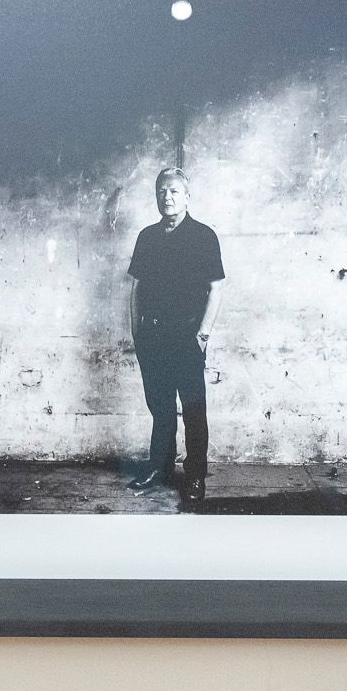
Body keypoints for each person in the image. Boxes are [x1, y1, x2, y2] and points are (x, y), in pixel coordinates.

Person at [126, 167, 224, 503]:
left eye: (173, 192)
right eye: (161, 192)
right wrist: (136, 331)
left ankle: (195, 476)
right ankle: (160, 468)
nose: (166, 198)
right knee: (161, 406)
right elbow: (137, 287)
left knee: (194, 409)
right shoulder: (147, 237)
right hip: (153, 336)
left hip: (187, 336)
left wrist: (203, 335)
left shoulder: (203, 236)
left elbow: (216, 287)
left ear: (187, 197)